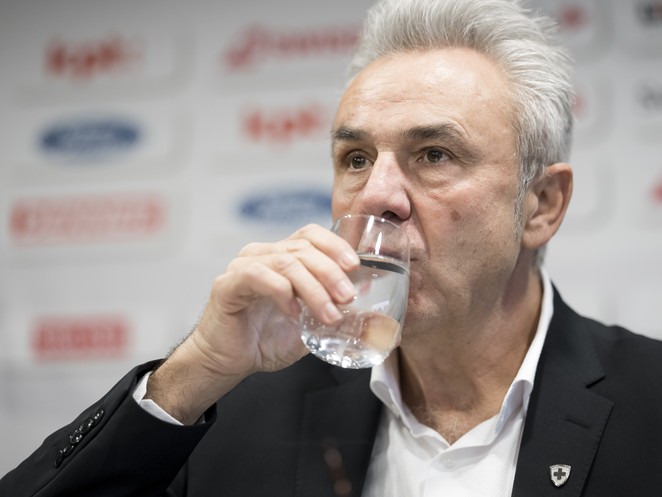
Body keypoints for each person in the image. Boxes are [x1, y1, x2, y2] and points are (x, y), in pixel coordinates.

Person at [3, 0, 662, 495]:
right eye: (356, 158)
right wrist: (193, 372)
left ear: (541, 204)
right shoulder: (233, 413)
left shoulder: (649, 404)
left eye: (434, 154)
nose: (377, 196)